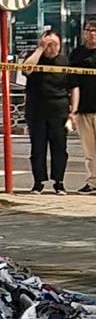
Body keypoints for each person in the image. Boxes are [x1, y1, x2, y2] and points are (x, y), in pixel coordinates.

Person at [22, 31, 78, 195]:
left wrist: (73, 111)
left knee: (60, 148)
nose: (53, 48)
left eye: (56, 45)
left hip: (59, 111)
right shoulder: (34, 58)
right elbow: (26, 70)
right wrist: (40, 49)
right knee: (37, 149)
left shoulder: (65, 62)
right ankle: (38, 182)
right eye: (49, 45)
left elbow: (74, 87)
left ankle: (59, 182)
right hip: (36, 111)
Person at [69, 18, 96, 194]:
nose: (93, 33)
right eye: (89, 30)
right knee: (89, 150)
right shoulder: (77, 54)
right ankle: (93, 182)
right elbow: (73, 83)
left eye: (95, 30)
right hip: (84, 108)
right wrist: (73, 110)